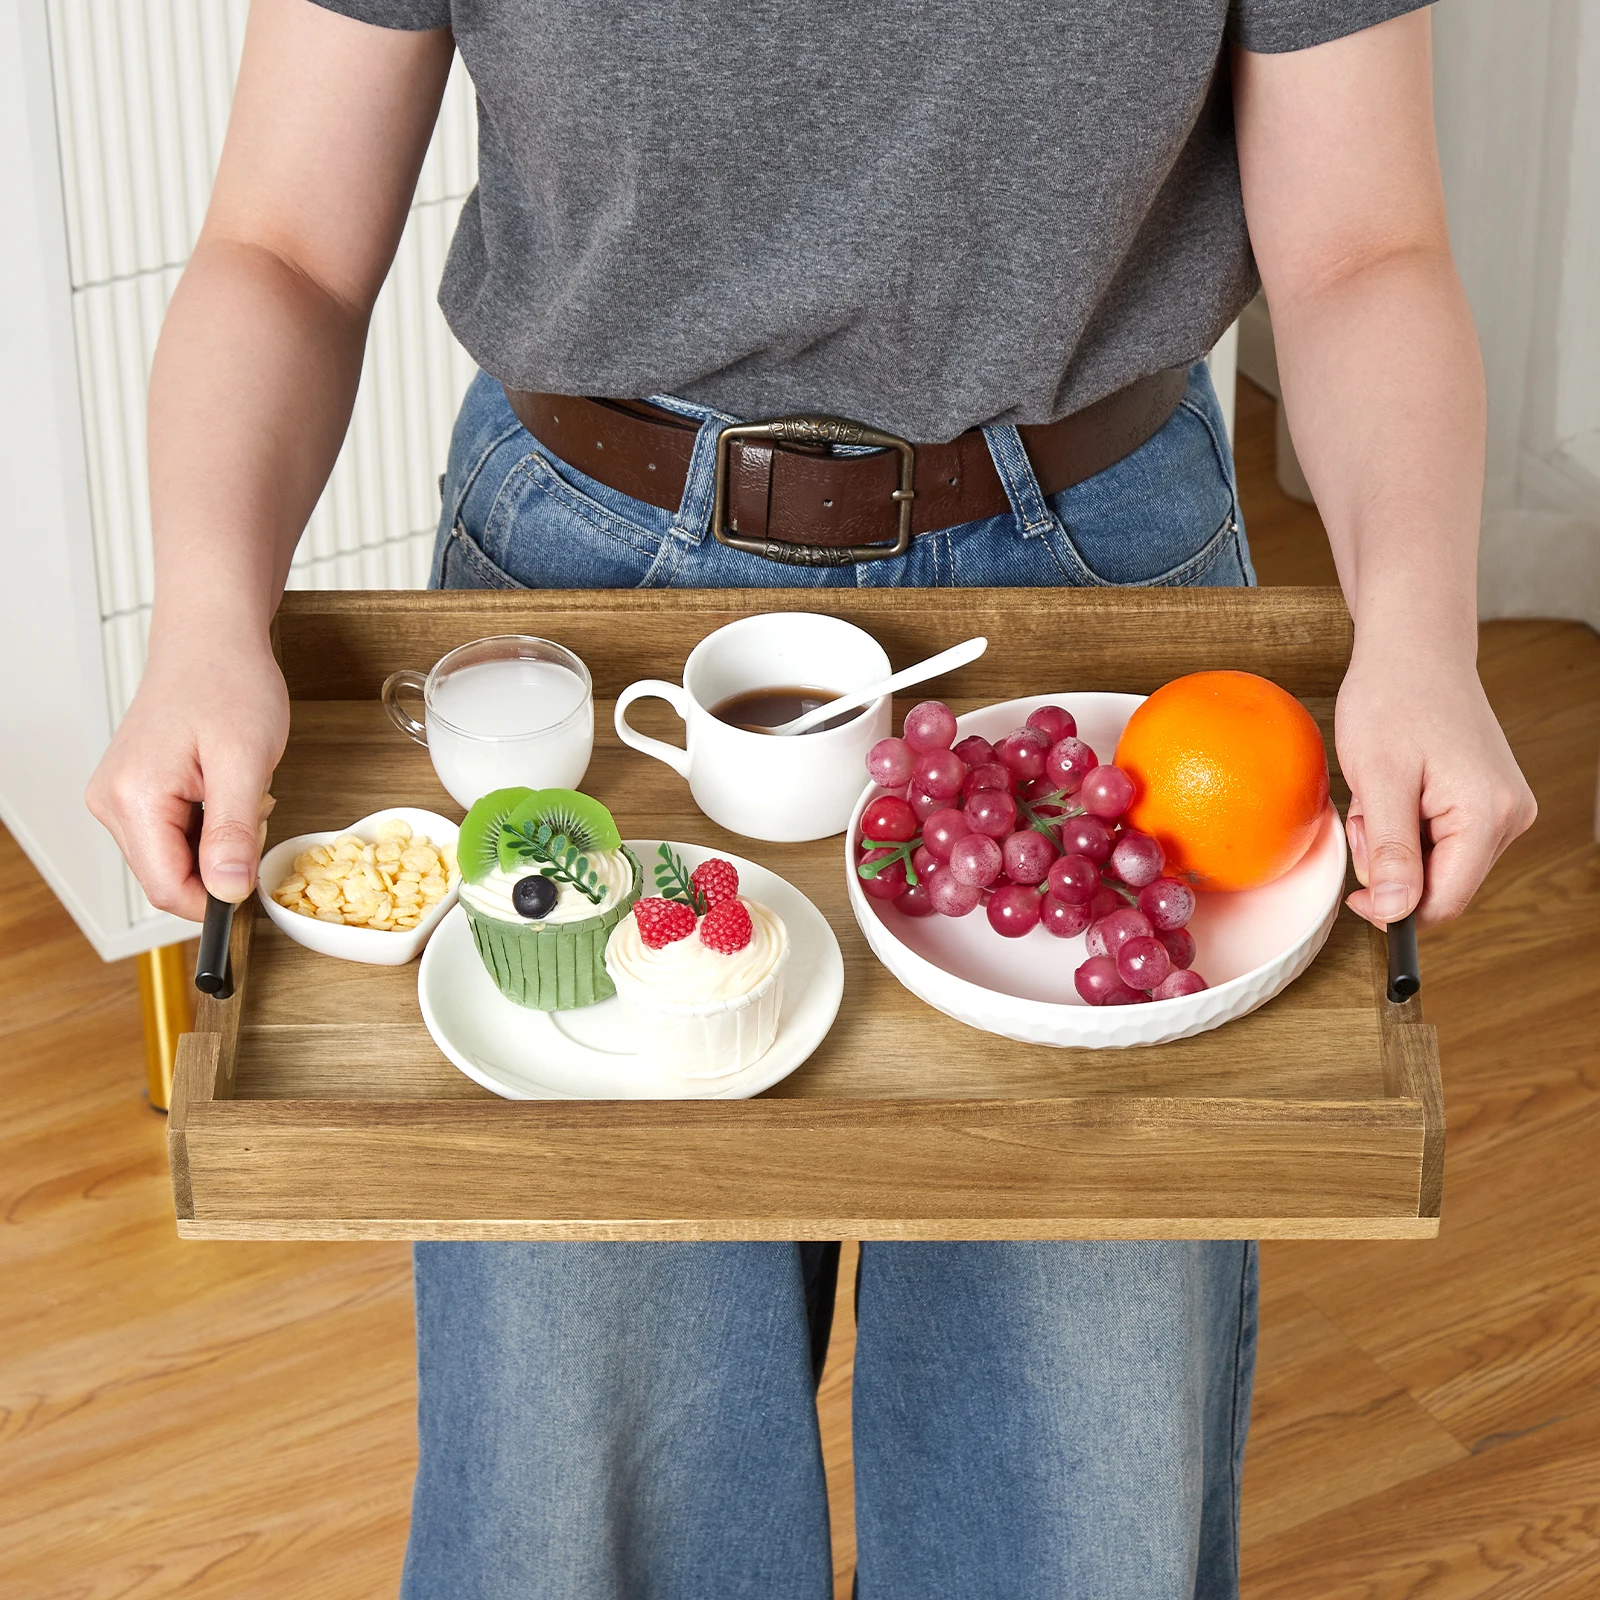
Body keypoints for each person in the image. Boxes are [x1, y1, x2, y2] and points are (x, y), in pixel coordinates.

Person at [87, 1, 1536, 1595]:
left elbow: (1362, 251)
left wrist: (1419, 635)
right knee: (587, 1512)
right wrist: (208, 618)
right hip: (589, 601)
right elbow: (284, 244)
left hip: (1098, 605)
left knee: (1075, 1520)